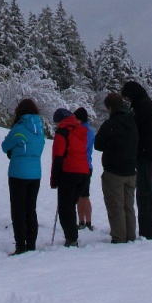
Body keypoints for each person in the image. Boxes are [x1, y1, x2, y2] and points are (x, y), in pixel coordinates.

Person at [93, 92, 138, 243]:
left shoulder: (110, 124)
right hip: (131, 170)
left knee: (115, 206)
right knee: (128, 206)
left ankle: (119, 236)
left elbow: (98, 144)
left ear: (110, 107)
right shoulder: (133, 122)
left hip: (114, 171)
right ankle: (131, 235)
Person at [1, 97, 45, 254]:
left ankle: (21, 244)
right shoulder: (40, 129)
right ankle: (32, 243)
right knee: (31, 208)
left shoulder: (19, 129)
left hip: (18, 173)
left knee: (18, 209)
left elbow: (5, 146)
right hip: (36, 174)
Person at [122, 80, 152, 240]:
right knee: (150, 194)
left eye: (127, 98)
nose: (127, 101)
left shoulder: (141, 106)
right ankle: (151, 229)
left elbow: (132, 127)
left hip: (146, 156)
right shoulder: (147, 104)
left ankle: (148, 231)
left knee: (144, 195)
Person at [49, 106, 90, 247]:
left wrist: (54, 179)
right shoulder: (80, 130)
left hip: (69, 172)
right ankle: (72, 236)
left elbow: (58, 157)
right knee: (71, 204)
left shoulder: (62, 133)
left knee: (65, 208)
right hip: (83, 172)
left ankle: (71, 238)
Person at [74, 107, 96, 231]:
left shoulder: (86, 131)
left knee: (84, 195)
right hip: (85, 166)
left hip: (84, 166)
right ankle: (82, 221)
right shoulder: (87, 130)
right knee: (80, 195)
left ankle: (87, 221)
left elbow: (82, 148)